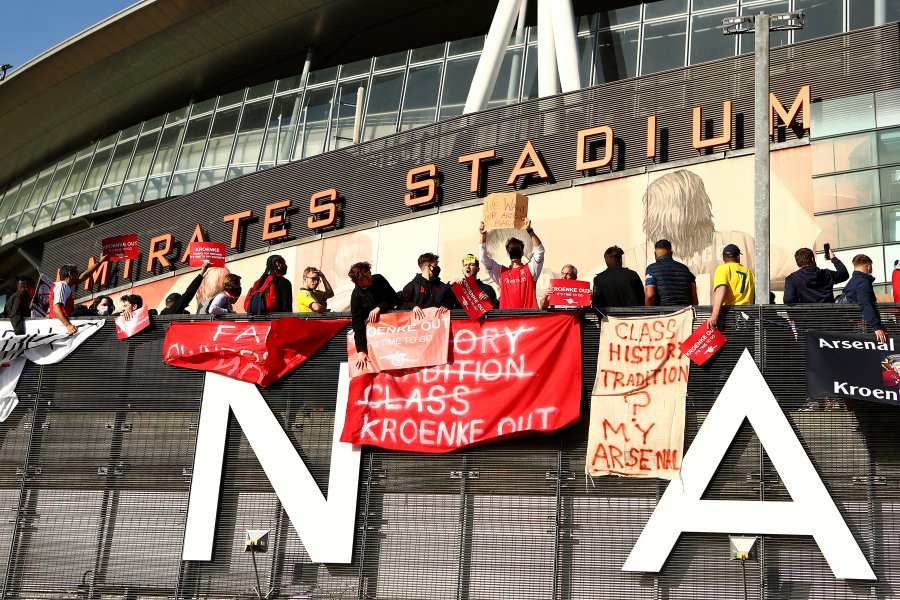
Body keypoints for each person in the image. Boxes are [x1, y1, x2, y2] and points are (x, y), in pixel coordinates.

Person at [479, 218, 544, 309]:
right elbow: (483, 259)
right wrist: (483, 235)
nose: (514, 251)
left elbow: (540, 251)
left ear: (522, 252)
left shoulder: (531, 269)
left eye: (517, 249)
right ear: (507, 253)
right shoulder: (501, 272)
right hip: (508, 319)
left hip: (529, 318)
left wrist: (529, 230)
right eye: (511, 249)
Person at [348, 262, 398, 371]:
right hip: (375, 338)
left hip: (391, 330)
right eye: (366, 277)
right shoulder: (356, 296)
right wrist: (361, 351)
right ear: (358, 280)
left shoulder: (379, 279)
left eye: (369, 273)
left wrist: (379, 308)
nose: (370, 277)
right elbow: (357, 325)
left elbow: (394, 298)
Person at [50, 255, 110, 334]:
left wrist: (100, 262)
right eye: (76, 272)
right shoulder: (62, 286)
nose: (78, 275)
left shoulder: (68, 286)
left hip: (63, 323)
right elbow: (56, 308)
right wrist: (68, 325)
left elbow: (84, 276)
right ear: (70, 274)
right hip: (60, 325)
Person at [706, 244, 755, 331]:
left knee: (729, 344)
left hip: (729, 316)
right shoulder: (749, 272)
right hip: (747, 317)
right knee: (745, 344)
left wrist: (714, 315)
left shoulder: (723, 269)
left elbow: (721, 289)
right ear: (738, 256)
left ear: (723, 257)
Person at [841, 253, 887, 343]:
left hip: (851, 325)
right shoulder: (863, 283)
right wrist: (876, 327)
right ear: (869, 267)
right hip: (861, 327)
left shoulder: (852, 282)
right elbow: (866, 304)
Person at [783, 246, 848, 304]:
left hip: (805, 316)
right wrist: (833, 258)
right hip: (828, 315)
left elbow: (788, 300)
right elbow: (844, 274)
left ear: (798, 263)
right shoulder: (827, 274)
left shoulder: (792, 279)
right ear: (812, 259)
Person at [644, 240, 698, 307]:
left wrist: (649, 312)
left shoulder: (651, 269)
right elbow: (694, 299)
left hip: (664, 314)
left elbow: (650, 295)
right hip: (684, 314)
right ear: (671, 253)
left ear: (655, 254)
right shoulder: (685, 269)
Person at [400, 252, 448, 318]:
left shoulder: (441, 286)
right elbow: (400, 303)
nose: (437, 267)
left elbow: (451, 302)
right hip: (419, 326)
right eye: (436, 265)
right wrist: (413, 307)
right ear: (430, 267)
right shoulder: (413, 285)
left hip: (438, 325)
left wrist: (445, 307)